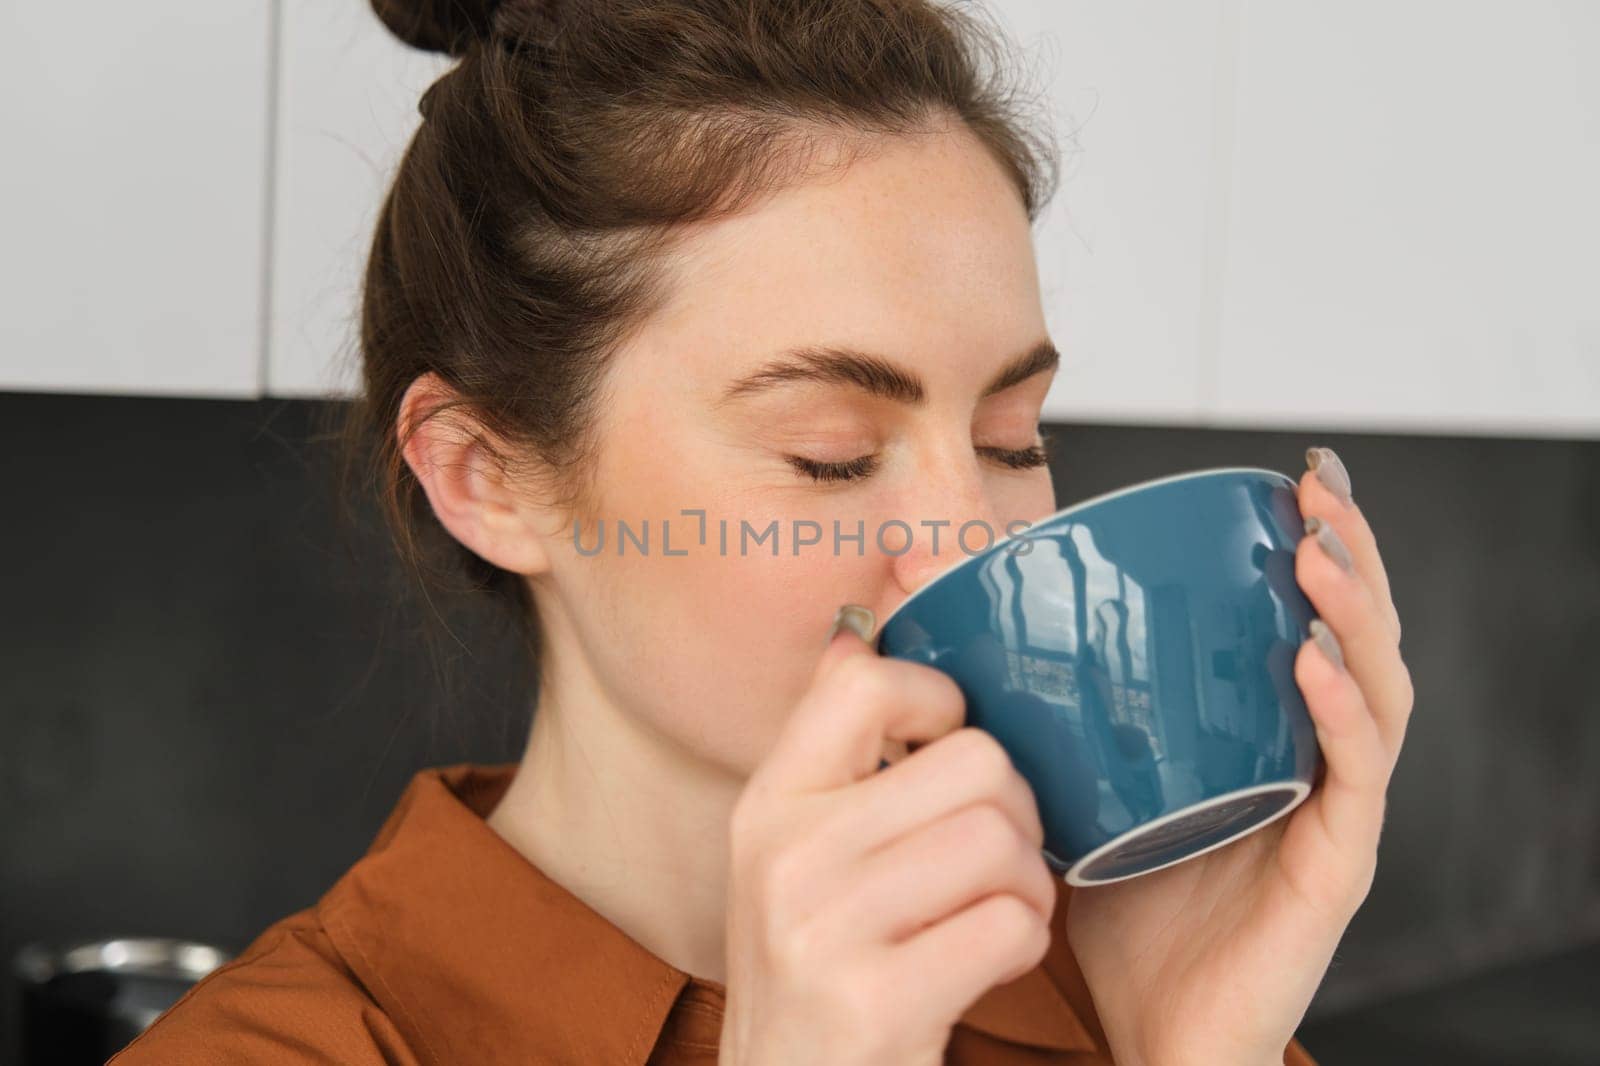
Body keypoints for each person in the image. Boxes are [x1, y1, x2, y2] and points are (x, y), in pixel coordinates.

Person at [111, 0, 1414, 1062]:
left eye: (1014, 436)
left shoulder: (1108, 998)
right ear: (487, 476)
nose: (968, 537)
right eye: (830, 453)